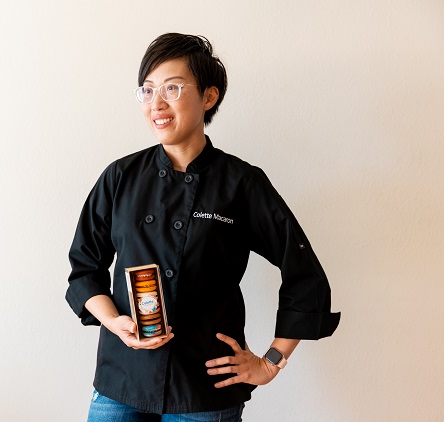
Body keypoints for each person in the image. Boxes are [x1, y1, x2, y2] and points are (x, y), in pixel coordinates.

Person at [66, 33, 340, 421]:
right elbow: (84, 270)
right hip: (121, 384)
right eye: (147, 91)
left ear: (209, 97)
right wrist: (114, 322)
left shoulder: (242, 184)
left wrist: (270, 361)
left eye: (172, 88)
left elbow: (305, 274)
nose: (156, 104)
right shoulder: (120, 177)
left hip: (205, 392)